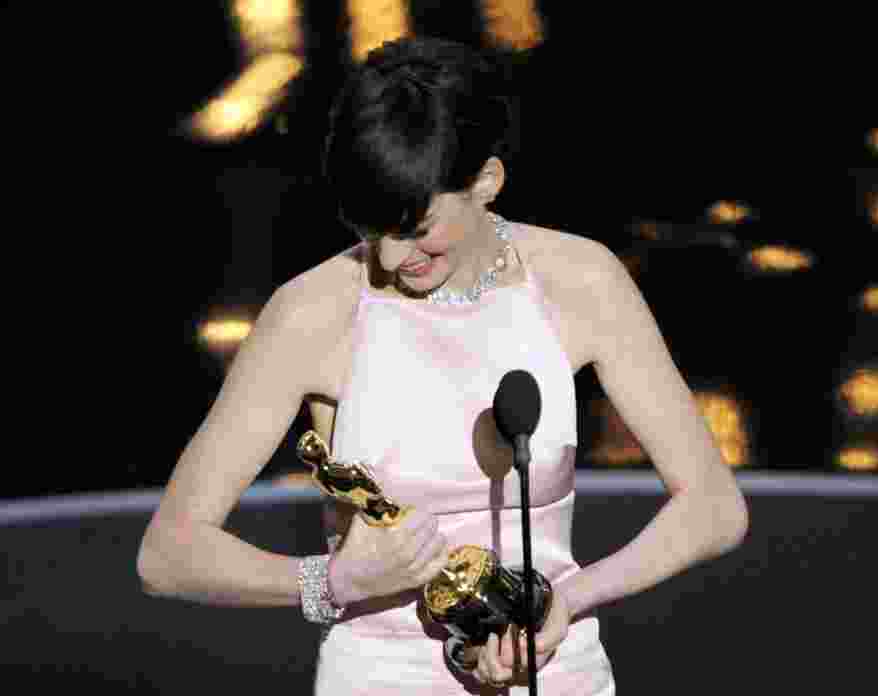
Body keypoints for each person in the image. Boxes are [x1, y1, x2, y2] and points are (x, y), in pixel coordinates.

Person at [137, 36, 749, 694]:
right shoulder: (311, 313)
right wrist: (333, 581)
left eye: (417, 228)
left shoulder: (582, 281)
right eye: (372, 230)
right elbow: (168, 555)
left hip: (554, 674)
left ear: (486, 181)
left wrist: (566, 602)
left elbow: (713, 507)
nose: (394, 260)